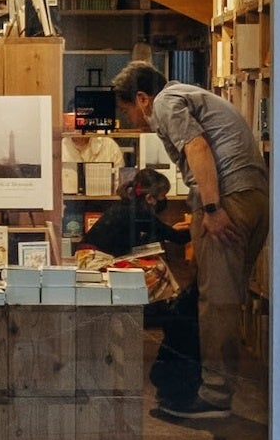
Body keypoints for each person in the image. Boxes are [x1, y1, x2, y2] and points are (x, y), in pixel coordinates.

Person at [112, 60, 268, 408]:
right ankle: (211, 386)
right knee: (226, 298)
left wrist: (211, 209)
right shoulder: (189, 94)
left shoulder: (166, 102)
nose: (129, 120)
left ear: (142, 98)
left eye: (127, 110)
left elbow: (197, 147)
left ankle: (214, 395)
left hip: (227, 199)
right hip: (251, 196)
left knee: (217, 303)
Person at [83, 166, 213, 419]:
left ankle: (166, 306)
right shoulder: (140, 214)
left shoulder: (128, 209)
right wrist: (196, 226)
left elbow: (153, 235)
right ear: (152, 198)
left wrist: (172, 229)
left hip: (91, 258)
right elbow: (175, 238)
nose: (164, 200)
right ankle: (168, 307)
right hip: (97, 263)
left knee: (155, 266)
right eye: (162, 196)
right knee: (159, 270)